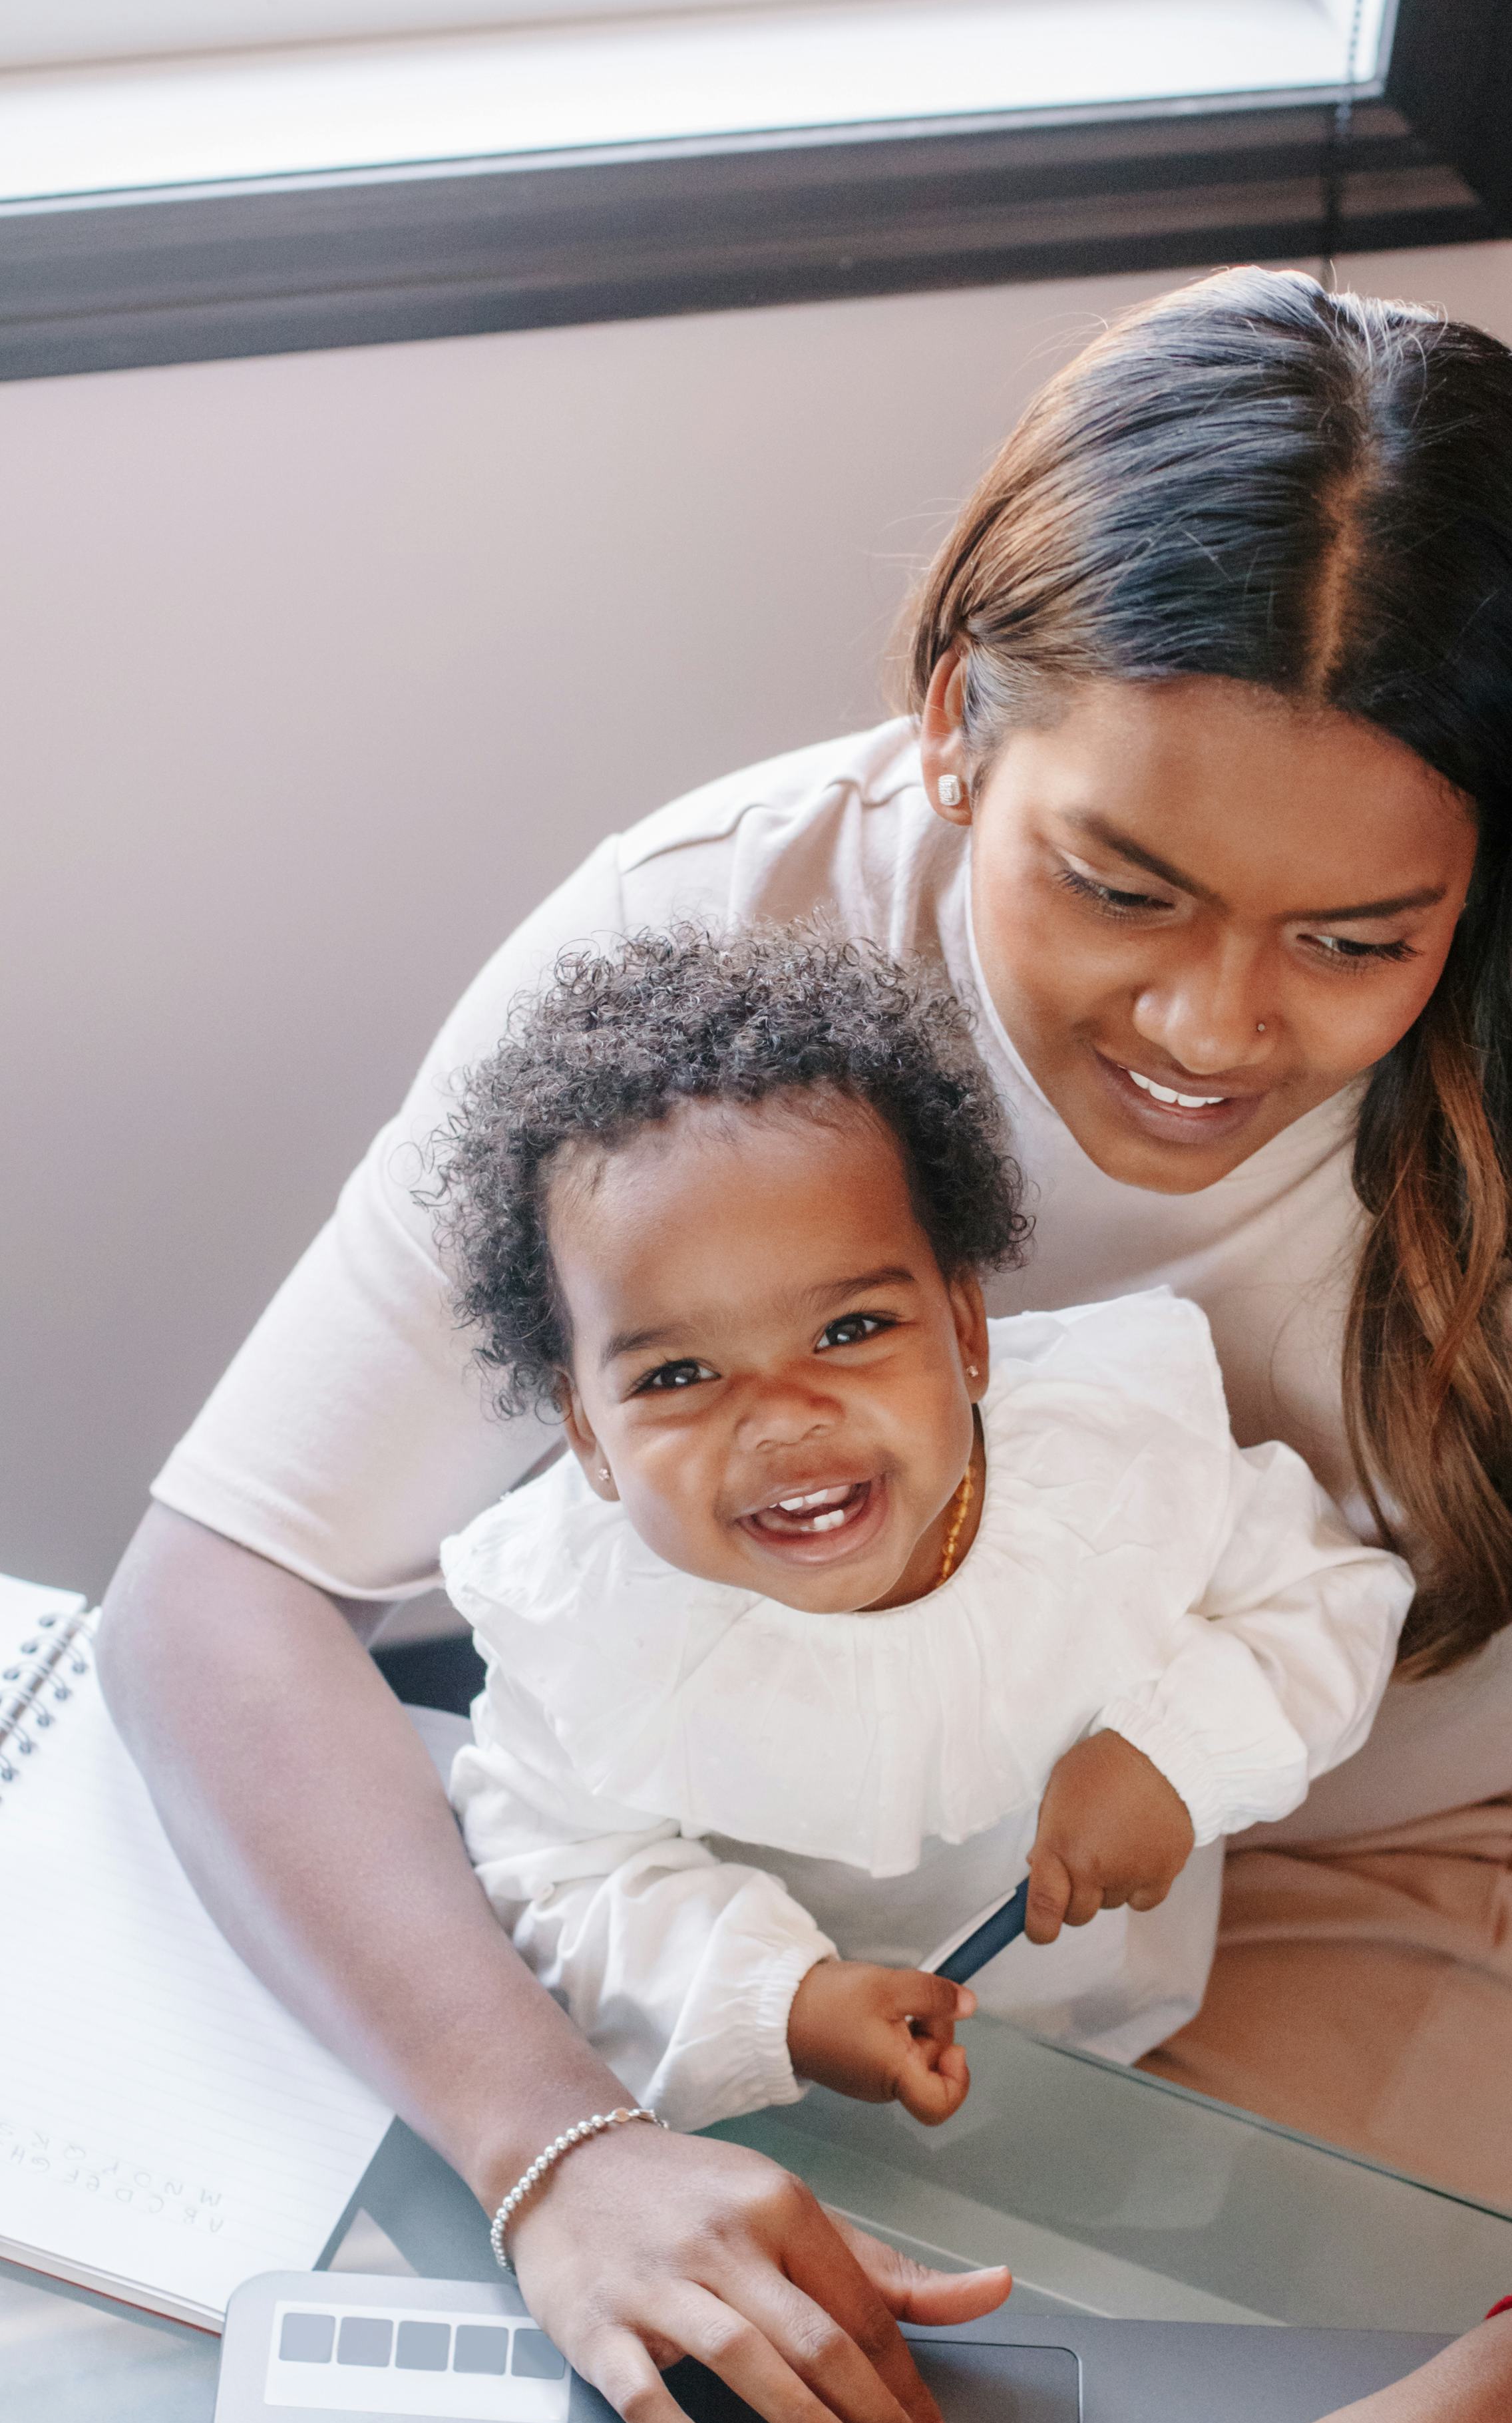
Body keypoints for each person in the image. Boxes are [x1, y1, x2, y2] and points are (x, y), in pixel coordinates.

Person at [102, 266, 1512, 2423]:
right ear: (949, 728)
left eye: (1357, 937)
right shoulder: (721, 938)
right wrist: (560, 2151)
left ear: (1497, 877)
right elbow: (230, 1585)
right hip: (729, 1798)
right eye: (1119, 885)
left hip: (1357, 1857)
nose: (1212, 1027)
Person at [429, 920, 1411, 2297]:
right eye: (676, 1376)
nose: (783, 1416)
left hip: (1107, 2043)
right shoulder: (591, 1626)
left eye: (847, 1332)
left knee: (1125, 2284)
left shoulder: (1116, 1467)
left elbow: (1326, 1600)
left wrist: (1170, 1757)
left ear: (963, 1327)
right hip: (743, 2105)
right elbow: (568, 1875)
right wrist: (784, 2000)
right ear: (584, 1435)